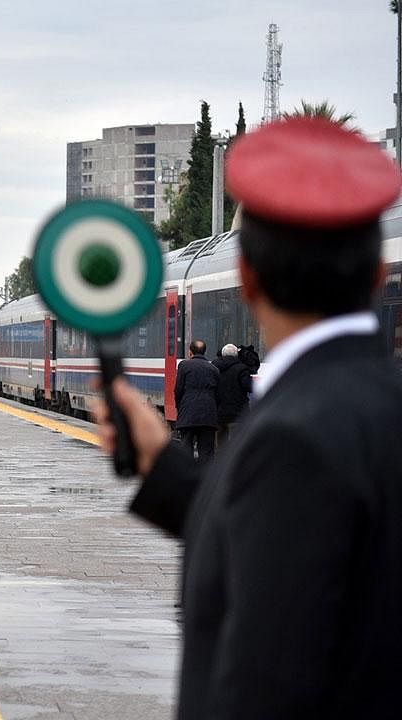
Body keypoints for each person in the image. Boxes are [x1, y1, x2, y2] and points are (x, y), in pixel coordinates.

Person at [96, 117, 402, 718]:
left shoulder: (296, 436)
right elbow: (304, 547)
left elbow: (266, 684)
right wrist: (166, 470)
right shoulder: (372, 404)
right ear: (375, 277)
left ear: (246, 278)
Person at [173, 339, 219, 460]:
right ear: (204, 352)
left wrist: (180, 408)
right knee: (206, 451)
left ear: (190, 352)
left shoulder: (184, 366)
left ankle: (187, 475)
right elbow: (218, 394)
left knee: (186, 449)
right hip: (208, 415)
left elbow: (178, 390)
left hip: (187, 413)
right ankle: (205, 476)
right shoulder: (214, 369)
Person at [211, 343, 251, 444]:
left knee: (220, 441)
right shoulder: (242, 369)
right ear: (236, 355)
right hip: (237, 412)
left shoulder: (214, 367)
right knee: (237, 442)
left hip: (219, 411)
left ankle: (220, 459)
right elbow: (249, 386)